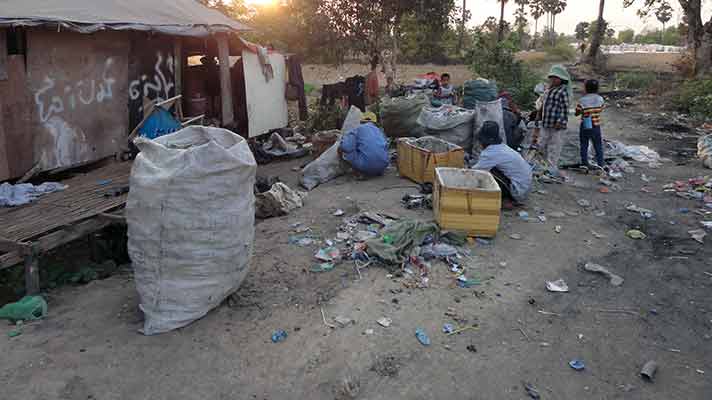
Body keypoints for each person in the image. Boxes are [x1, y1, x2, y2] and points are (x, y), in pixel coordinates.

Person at [473, 121, 533, 207]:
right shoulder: (502, 147)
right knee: (491, 169)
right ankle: (508, 197)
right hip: (525, 187)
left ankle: (505, 199)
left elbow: (476, 172)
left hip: (518, 191)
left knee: (487, 174)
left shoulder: (490, 153)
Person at [539, 64, 571, 172]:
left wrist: (560, 121)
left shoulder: (563, 91)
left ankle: (552, 167)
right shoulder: (549, 90)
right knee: (542, 143)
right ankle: (543, 164)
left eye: (556, 78)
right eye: (552, 77)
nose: (553, 79)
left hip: (557, 125)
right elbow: (544, 105)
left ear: (562, 79)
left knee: (554, 146)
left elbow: (564, 108)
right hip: (546, 122)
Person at [338, 112, 389, 177]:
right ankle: (377, 170)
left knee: (346, 151)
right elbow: (385, 146)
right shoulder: (379, 130)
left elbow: (346, 147)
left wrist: (341, 146)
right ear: (375, 122)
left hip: (366, 166)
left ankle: (360, 172)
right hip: (384, 164)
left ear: (361, 121)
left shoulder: (357, 129)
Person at [575, 79, 605, 168]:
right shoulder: (600, 99)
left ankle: (585, 163)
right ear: (597, 88)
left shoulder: (582, 100)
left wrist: (581, 112)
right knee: (598, 145)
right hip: (596, 125)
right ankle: (601, 163)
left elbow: (577, 112)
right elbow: (601, 109)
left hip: (585, 125)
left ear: (586, 89)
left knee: (584, 144)